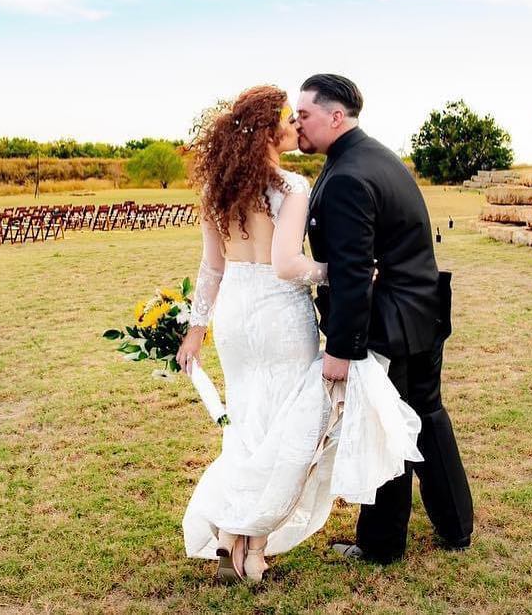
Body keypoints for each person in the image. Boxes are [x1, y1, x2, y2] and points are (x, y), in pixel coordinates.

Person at [176, 85, 423, 584]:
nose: (295, 126)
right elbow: (287, 265)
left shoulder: (216, 191)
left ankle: (229, 538)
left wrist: (196, 330)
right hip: (279, 316)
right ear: (269, 132)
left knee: (248, 427)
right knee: (293, 431)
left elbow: (211, 269)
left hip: (236, 322)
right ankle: (256, 550)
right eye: (289, 120)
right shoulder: (290, 187)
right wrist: (337, 271)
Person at [295, 73, 474, 564]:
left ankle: (381, 544)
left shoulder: (350, 175)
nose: (296, 124)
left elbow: (353, 274)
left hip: (391, 324)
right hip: (420, 314)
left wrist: (341, 349)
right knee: (426, 418)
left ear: (336, 116)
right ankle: (456, 526)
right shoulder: (372, 156)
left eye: (304, 114)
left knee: (386, 426)